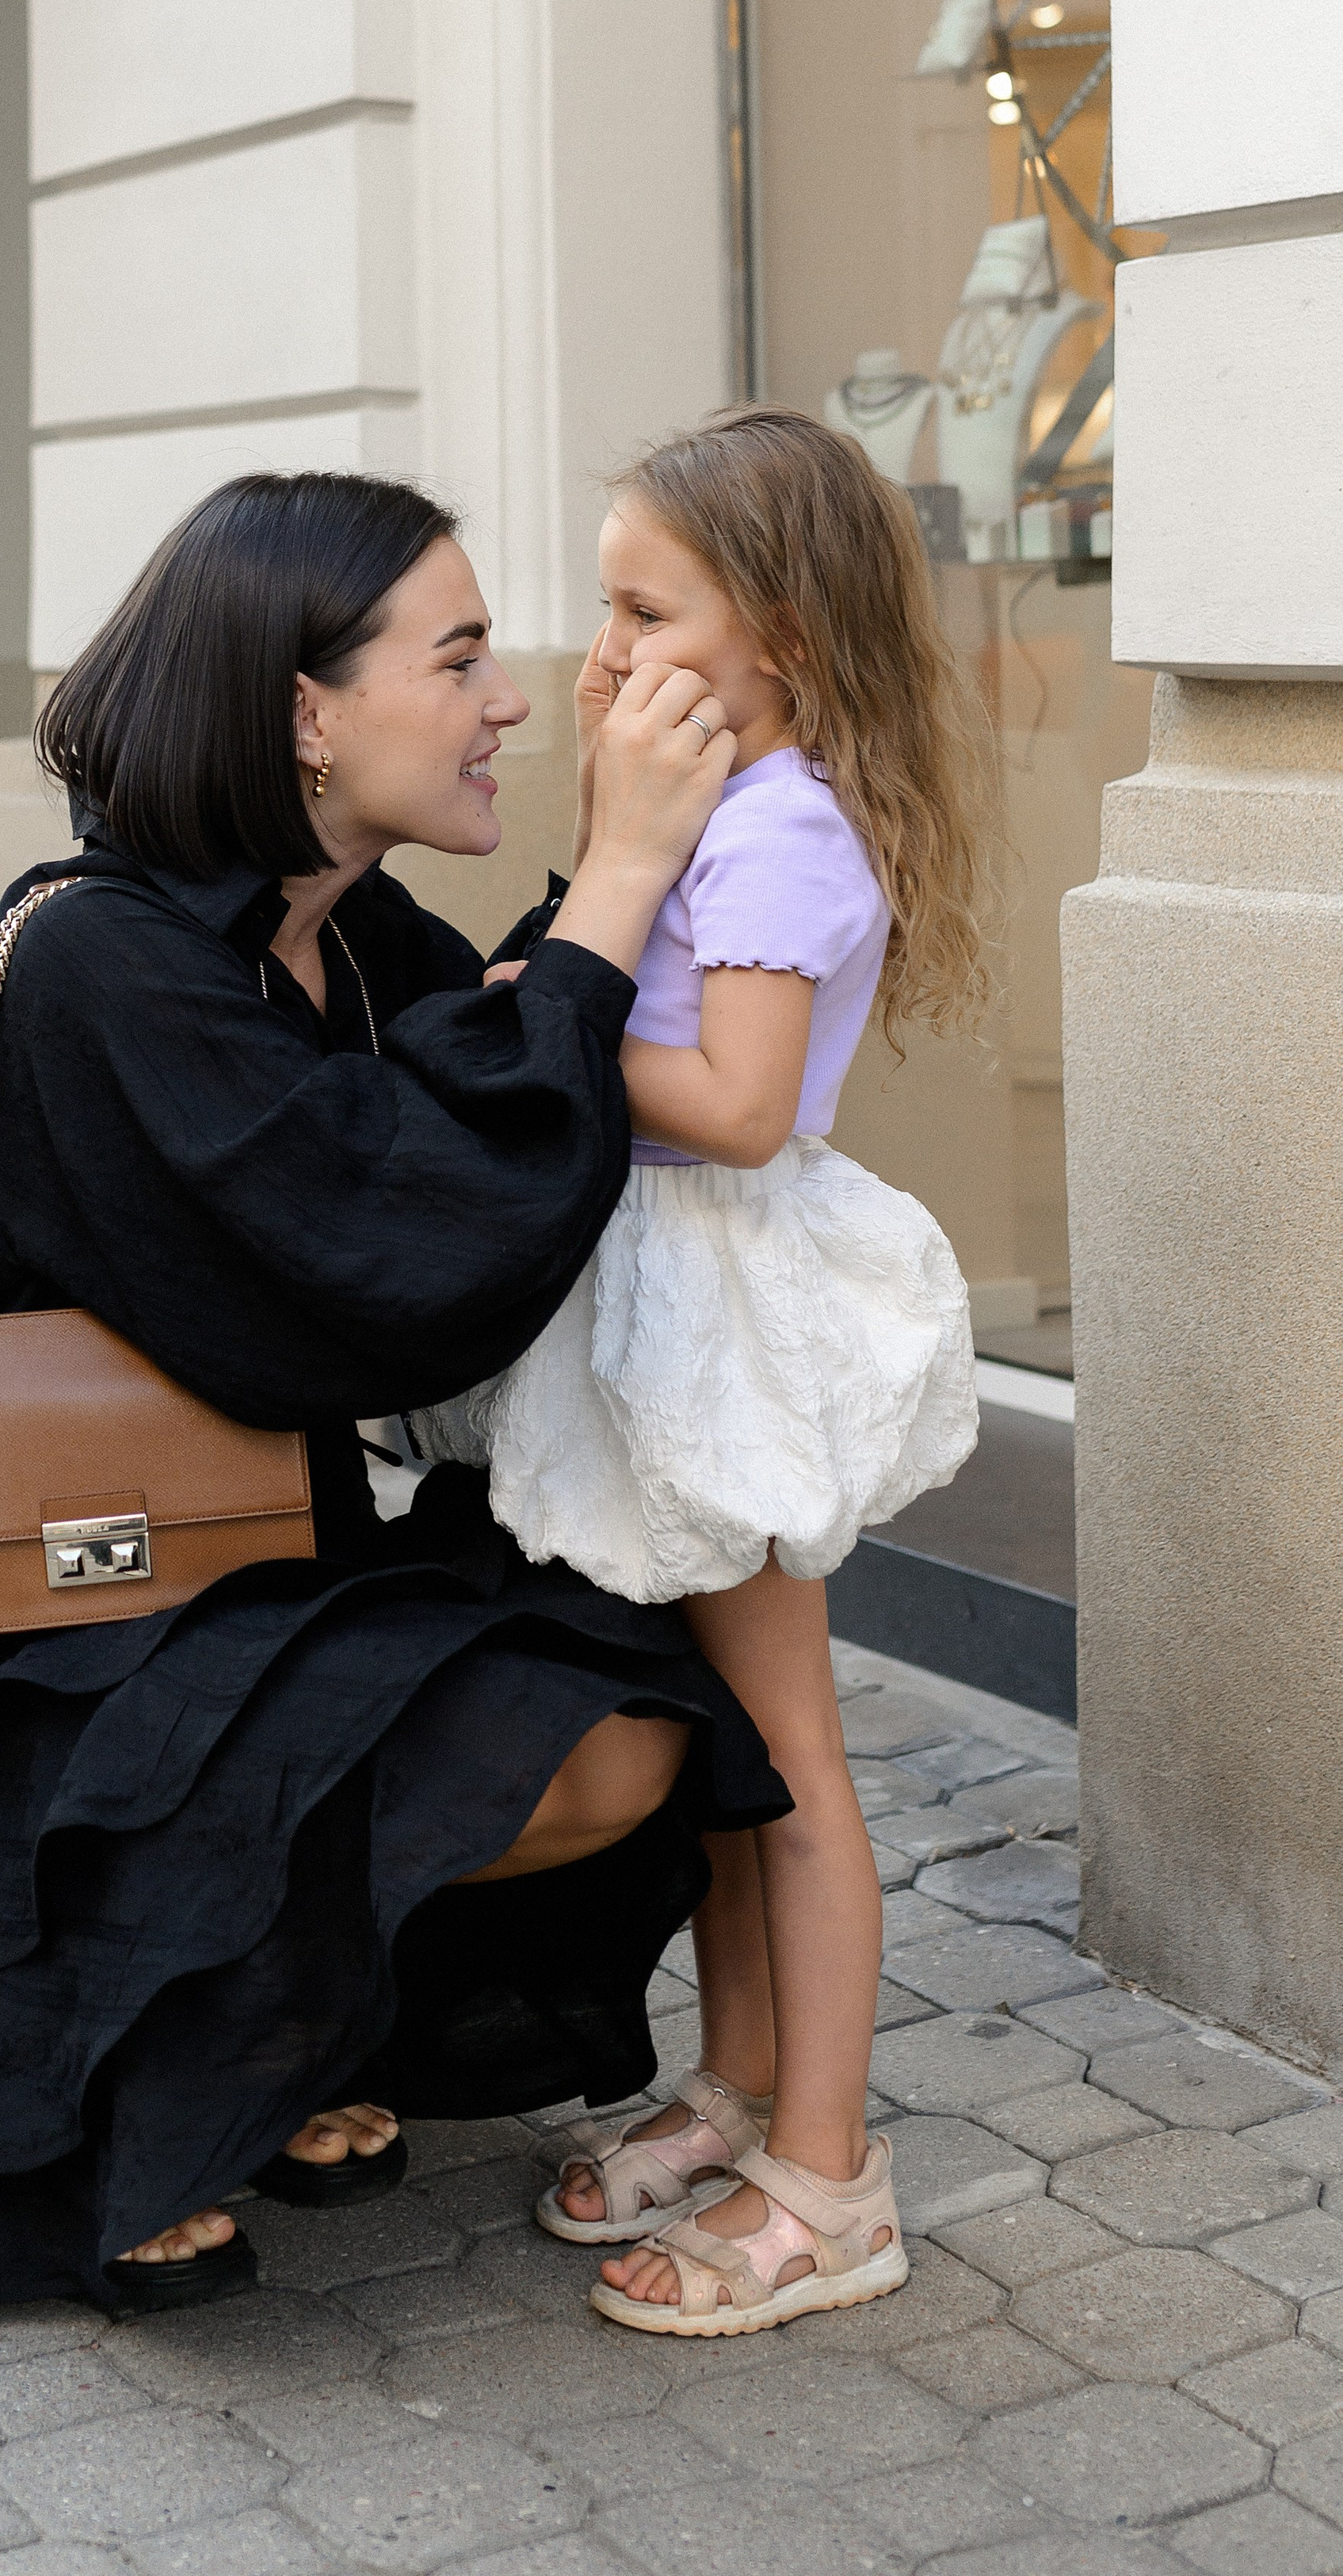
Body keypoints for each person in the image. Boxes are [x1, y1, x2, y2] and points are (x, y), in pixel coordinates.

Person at [0, 469, 792, 2318]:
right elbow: (401, 1257)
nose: (511, 695)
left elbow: (505, 1105)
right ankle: (112, 2112)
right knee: (494, 1733)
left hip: (266, 1556)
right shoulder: (92, 953)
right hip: (56, 1619)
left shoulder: (350, 934)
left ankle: (250, 2048)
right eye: (455, 655)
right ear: (302, 708)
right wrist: (616, 876)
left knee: (619, 1726)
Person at [418, 407, 994, 2338]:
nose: (598, 648)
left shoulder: (775, 826)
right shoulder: (715, 795)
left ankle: (828, 2181)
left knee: (788, 1759)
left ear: (783, 638)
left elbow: (737, 1106)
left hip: (720, 1307)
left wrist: (537, 1026)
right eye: (600, 603)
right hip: (649, 1290)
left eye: (640, 607)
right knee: (722, 1750)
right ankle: (740, 2097)